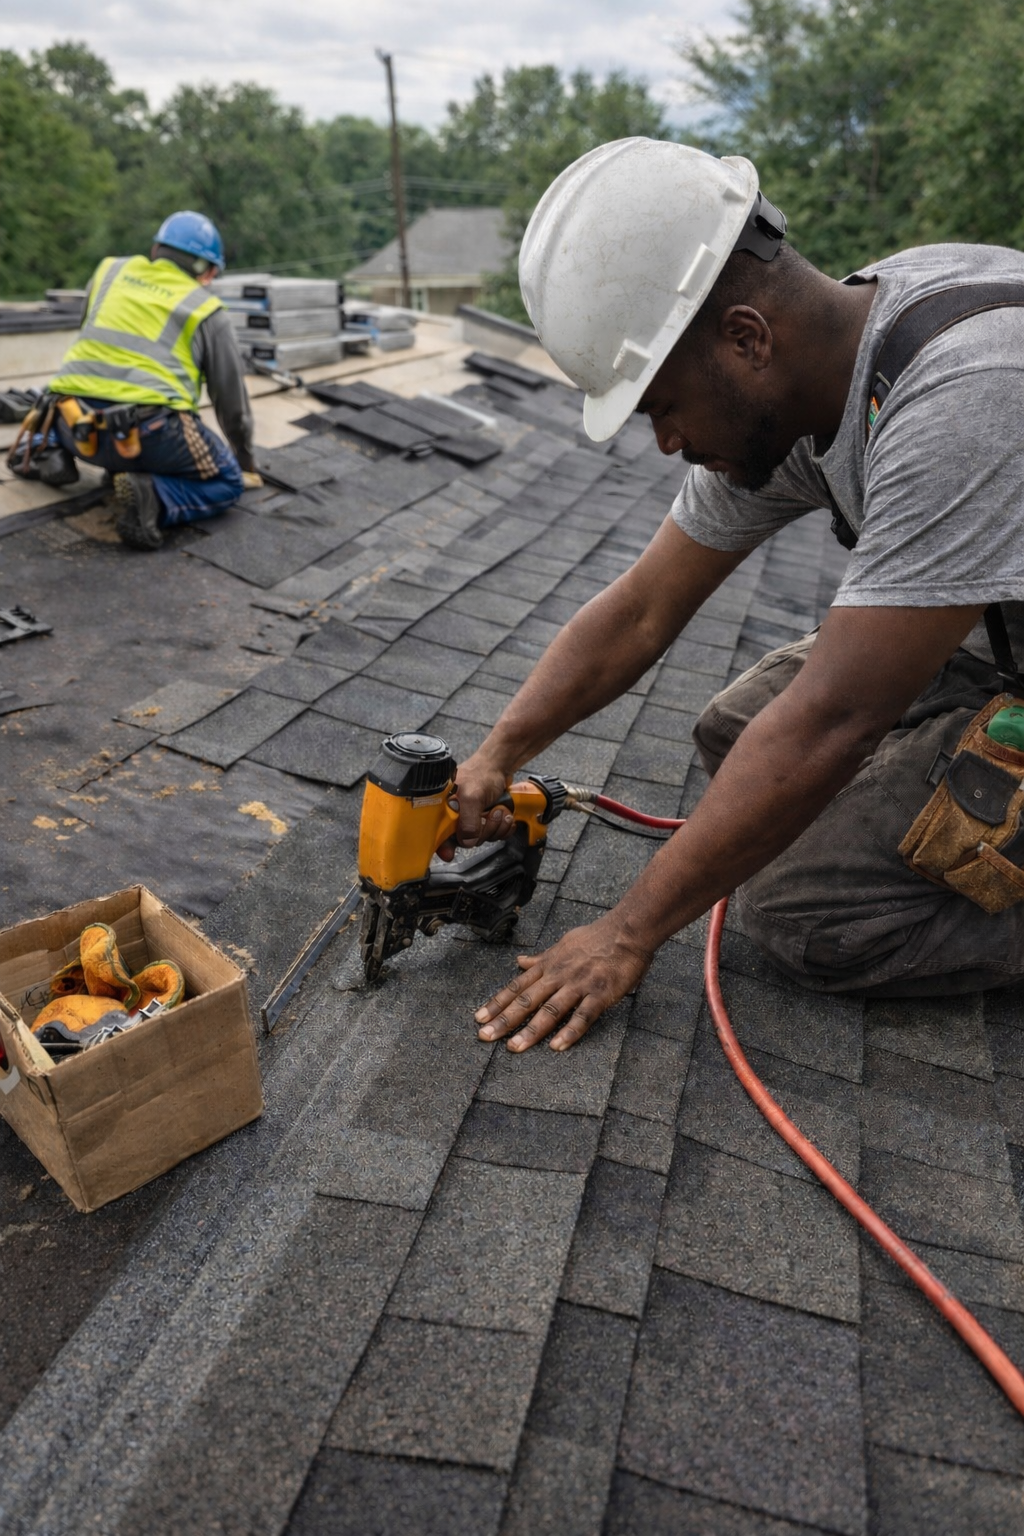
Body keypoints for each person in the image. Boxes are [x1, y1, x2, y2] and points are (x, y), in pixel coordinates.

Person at [448, 137, 1024, 1054]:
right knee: (733, 730)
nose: (667, 442)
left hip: (1000, 651)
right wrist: (496, 755)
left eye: (663, 406)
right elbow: (643, 608)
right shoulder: (819, 373)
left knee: (805, 915)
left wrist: (625, 934)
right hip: (996, 639)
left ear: (747, 339)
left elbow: (835, 720)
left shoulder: (965, 398)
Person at [45, 211, 255, 549]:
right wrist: (245, 461)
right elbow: (233, 408)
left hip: (74, 426)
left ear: (156, 249)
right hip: (148, 437)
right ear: (208, 271)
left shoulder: (109, 271)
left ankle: (46, 450)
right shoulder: (208, 310)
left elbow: (88, 332)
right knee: (227, 481)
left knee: (42, 399)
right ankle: (154, 496)